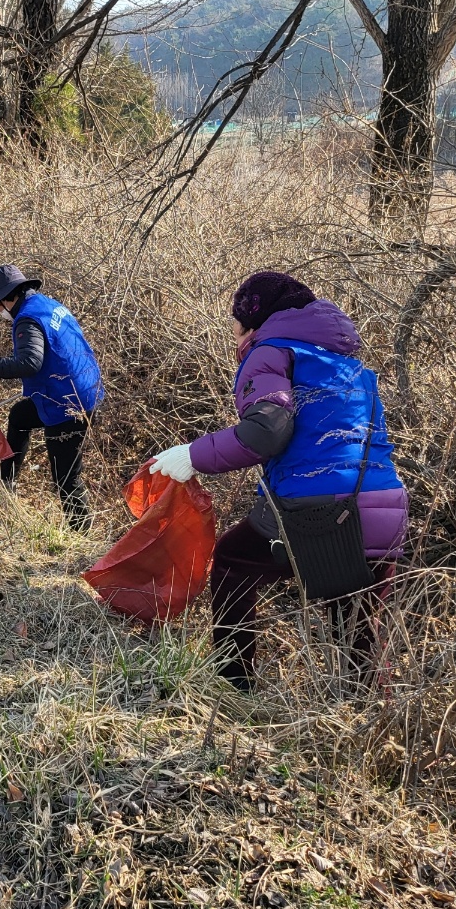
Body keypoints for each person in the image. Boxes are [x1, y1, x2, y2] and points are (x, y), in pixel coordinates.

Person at [147, 272, 407, 692]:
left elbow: (266, 433)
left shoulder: (270, 353)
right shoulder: (349, 364)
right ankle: (368, 724)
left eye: (234, 322)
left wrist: (191, 456)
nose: (232, 332)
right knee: (355, 619)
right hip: (386, 506)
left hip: (316, 506)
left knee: (234, 561)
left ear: (254, 320)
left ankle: (235, 684)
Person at [0, 264, 104, 530]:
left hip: (66, 404)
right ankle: (6, 482)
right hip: (84, 389)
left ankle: (83, 536)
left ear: (5, 300)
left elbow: (28, 363)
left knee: (66, 477)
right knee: (20, 416)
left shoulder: (27, 319)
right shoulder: (47, 305)